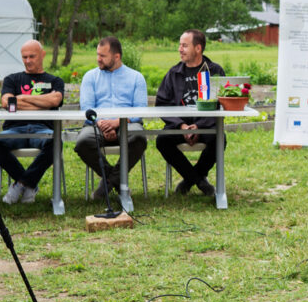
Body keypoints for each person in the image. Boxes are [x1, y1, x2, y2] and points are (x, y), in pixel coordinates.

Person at [0, 40, 64, 205]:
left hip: (42, 129)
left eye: (32, 56)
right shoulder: (12, 79)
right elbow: (6, 102)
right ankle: (29, 184)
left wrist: (22, 98)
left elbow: (55, 100)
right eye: (24, 57)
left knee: (55, 142)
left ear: (42, 55)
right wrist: (42, 103)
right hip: (15, 129)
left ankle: (21, 184)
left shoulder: (55, 80)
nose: (28, 61)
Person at [74, 36, 148, 201]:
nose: (98, 59)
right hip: (96, 124)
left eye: (103, 56)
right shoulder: (90, 77)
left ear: (117, 56)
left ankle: (107, 183)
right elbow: (87, 108)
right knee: (83, 142)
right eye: (97, 54)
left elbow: (140, 110)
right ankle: (116, 181)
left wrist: (116, 123)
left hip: (127, 123)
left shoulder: (136, 77)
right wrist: (101, 124)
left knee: (138, 138)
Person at [155, 29, 225, 196]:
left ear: (198, 48)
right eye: (180, 45)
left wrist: (199, 126)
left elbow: (221, 104)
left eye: (184, 46)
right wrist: (182, 126)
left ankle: (189, 180)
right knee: (162, 141)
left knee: (219, 139)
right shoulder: (174, 73)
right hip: (179, 126)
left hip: (206, 126)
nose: (180, 49)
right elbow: (162, 103)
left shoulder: (214, 71)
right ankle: (199, 181)